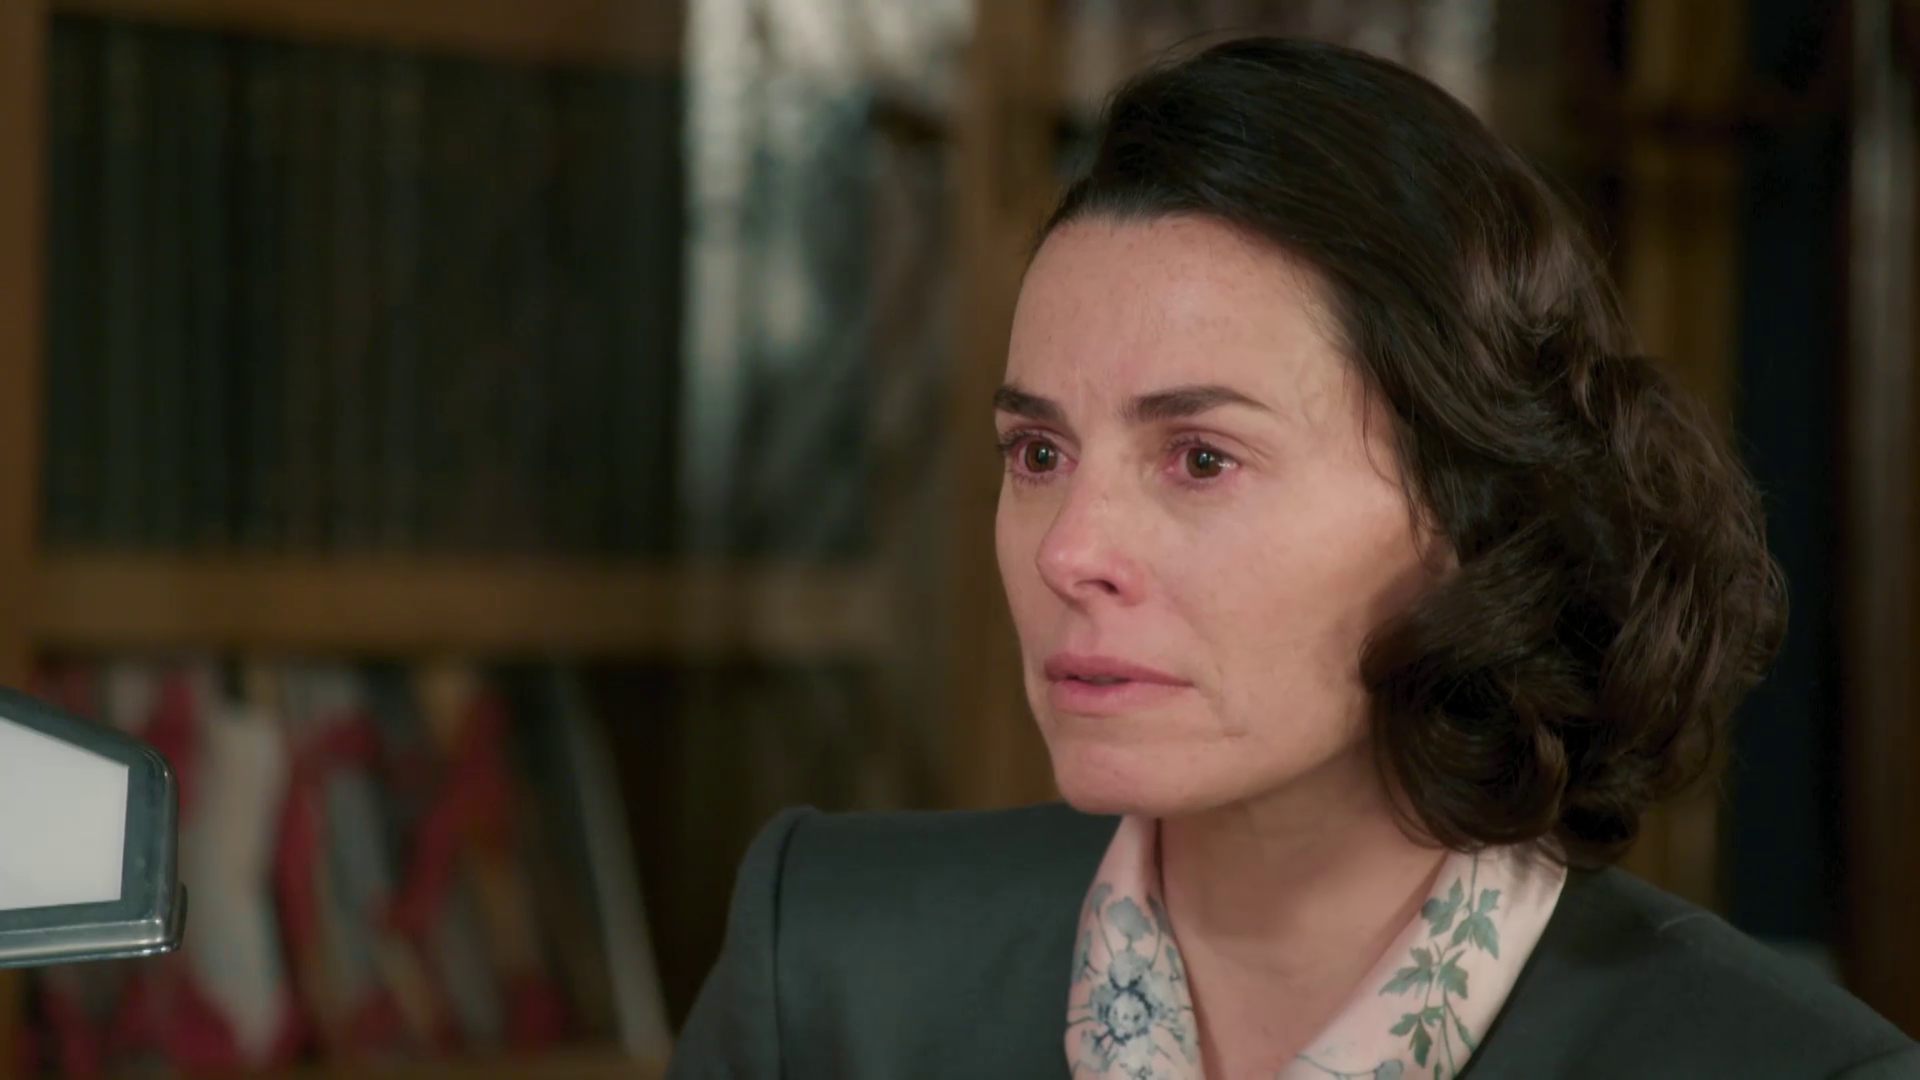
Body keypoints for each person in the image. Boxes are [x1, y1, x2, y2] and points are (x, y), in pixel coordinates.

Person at [667, 36, 1919, 1079]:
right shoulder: (829, 971)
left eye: (1200, 459)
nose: (1071, 551)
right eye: (1038, 453)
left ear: (1475, 510)